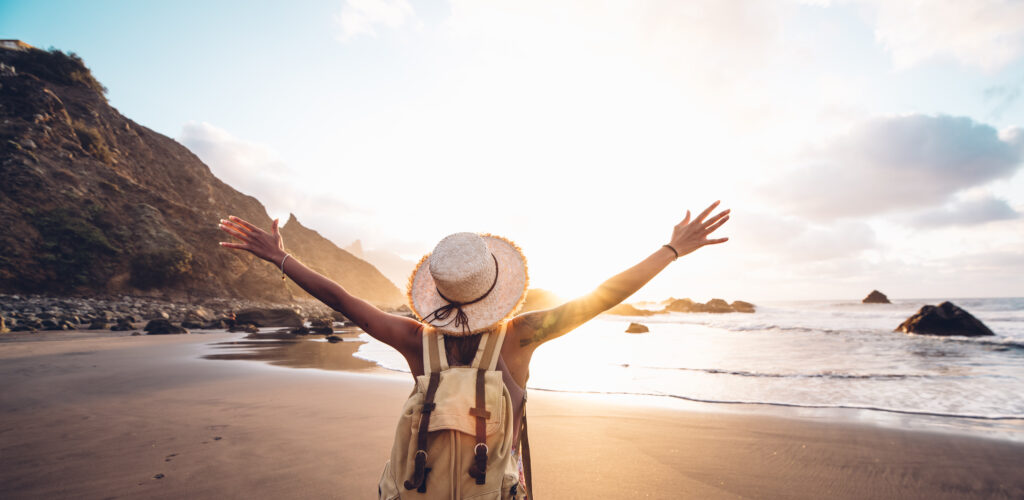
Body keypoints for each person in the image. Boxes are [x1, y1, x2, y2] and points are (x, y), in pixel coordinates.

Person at [218, 201, 730, 498]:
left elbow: (343, 300)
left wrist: (281, 259)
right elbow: (602, 296)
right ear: (499, 286)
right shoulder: (521, 336)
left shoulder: (415, 340)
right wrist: (672, 251)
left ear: (438, 294)